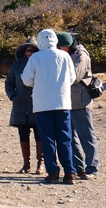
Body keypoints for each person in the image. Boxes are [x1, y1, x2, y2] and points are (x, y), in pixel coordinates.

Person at [21, 29, 76, 184]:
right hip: (63, 103)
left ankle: (53, 171)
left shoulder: (36, 58)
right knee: (65, 138)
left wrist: (38, 84)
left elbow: (26, 80)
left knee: (48, 139)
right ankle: (70, 171)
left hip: (42, 104)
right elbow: (72, 77)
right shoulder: (64, 56)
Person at [57, 32, 100, 179]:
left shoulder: (81, 55)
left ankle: (92, 168)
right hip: (67, 102)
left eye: (60, 47)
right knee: (70, 138)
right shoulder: (66, 53)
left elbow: (74, 77)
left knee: (86, 136)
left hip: (81, 102)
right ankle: (78, 168)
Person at [5, 38, 43, 174]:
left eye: (33, 50)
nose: (30, 52)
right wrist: (13, 96)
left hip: (37, 104)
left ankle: (41, 164)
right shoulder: (16, 66)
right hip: (20, 106)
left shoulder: (41, 63)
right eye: (28, 50)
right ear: (24, 51)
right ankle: (26, 164)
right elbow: (9, 82)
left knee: (40, 135)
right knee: (23, 135)